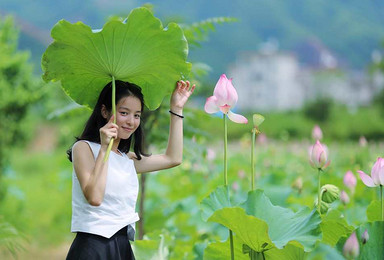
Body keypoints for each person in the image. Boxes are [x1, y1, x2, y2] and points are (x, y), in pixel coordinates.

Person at [65, 80, 195, 260]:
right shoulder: (84, 148)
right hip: (93, 248)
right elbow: (94, 197)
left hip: (122, 246)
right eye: (124, 112)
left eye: (136, 115)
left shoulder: (127, 158)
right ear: (105, 111)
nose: (131, 121)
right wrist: (104, 148)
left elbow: (173, 158)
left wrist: (177, 109)